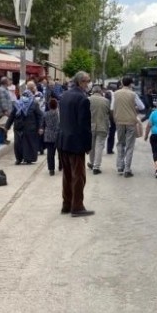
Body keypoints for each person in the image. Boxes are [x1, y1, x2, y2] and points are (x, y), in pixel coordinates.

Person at [57, 71, 94, 217]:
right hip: (76, 143)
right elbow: (84, 125)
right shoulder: (82, 99)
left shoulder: (65, 95)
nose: (88, 83)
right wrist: (87, 145)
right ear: (80, 82)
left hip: (63, 140)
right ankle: (77, 206)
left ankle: (67, 204)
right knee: (78, 175)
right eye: (87, 81)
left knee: (67, 175)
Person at [111, 76, 145, 177]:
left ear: (122, 83)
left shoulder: (115, 94)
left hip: (119, 121)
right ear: (131, 84)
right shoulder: (133, 94)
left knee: (120, 143)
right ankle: (127, 169)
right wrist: (132, 107)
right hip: (130, 121)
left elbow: (112, 107)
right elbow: (142, 107)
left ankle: (120, 166)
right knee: (130, 145)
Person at [4, 90, 43, 165]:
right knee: (18, 144)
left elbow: (40, 116)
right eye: (24, 96)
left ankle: (28, 159)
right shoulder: (17, 104)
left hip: (30, 128)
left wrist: (40, 127)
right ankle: (19, 159)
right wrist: (7, 126)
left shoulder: (34, 104)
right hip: (18, 128)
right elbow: (12, 116)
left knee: (29, 144)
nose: (25, 98)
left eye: (26, 96)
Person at [88, 86, 111, 175]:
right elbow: (109, 113)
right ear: (100, 92)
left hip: (90, 126)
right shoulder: (106, 101)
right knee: (99, 147)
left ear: (92, 92)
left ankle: (92, 162)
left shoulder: (88, 100)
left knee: (91, 146)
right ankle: (96, 166)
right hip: (102, 126)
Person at [41, 98, 61, 176]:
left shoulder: (45, 114)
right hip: (58, 135)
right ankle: (60, 165)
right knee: (60, 152)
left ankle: (51, 169)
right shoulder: (59, 114)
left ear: (49, 106)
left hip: (48, 135)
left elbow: (43, 124)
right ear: (56, 105)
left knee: (50, 153)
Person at [0, 77, 13, 145]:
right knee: (3, 126)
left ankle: (4, 138)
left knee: (5, 125)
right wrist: (5, 110)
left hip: (5, 111)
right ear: (5, 82)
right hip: (3, 112)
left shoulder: (4, 89)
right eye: (8, 81)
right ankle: (2, 139)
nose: (9, 82)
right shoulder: (2, 90)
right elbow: (3, 101)